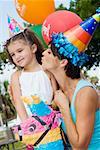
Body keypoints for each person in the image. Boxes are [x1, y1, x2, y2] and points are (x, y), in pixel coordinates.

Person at [42, 11, 100, 149]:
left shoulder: (84, 93)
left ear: (63, 62)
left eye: (49, 52)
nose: (43, 53)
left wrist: (64, 109)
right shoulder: (60, 91)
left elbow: (80, 146)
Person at [4, 28, 65, 150]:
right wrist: (28, 126)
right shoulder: (16, 76)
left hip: (51, 123)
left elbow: (55, 95)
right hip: (33, 129)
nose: (17, 56)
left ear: (33, 48)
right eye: (13, 54)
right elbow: (18, 103)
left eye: (20, 51)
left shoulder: (47, 70)